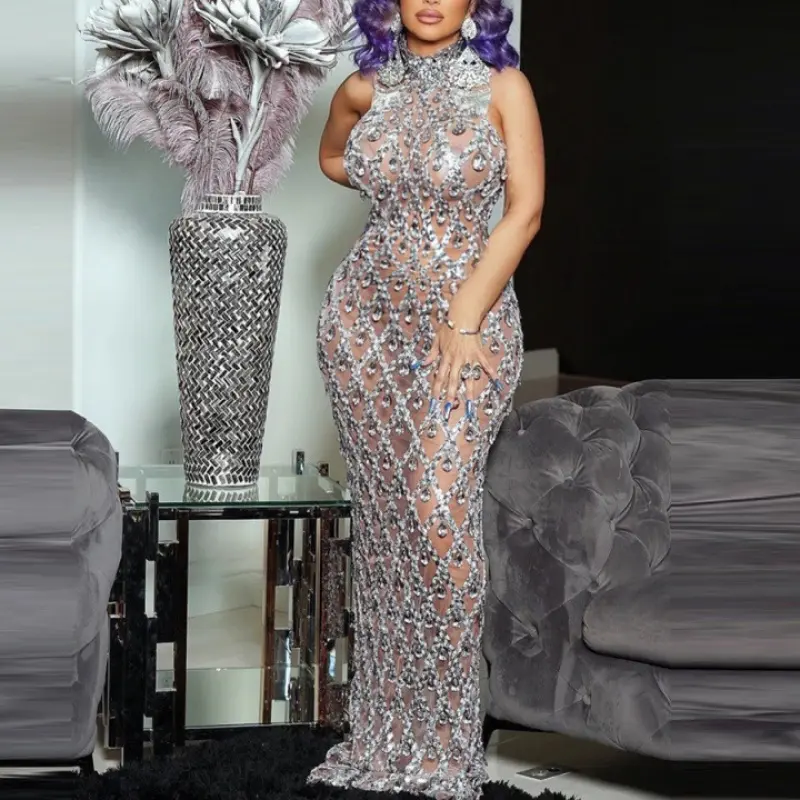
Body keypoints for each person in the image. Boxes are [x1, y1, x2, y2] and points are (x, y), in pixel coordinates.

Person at [308, 1, 544, 797]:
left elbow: (525, 210)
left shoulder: (504, 87)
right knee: (387, 530)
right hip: (366, 329)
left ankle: (442, 746)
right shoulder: (362, 88)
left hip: (467, 330)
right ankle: (385, 733)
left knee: (436, 516)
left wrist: (463, 312)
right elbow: (333, 158)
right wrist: (405, 203)